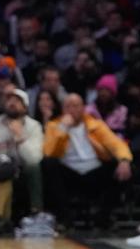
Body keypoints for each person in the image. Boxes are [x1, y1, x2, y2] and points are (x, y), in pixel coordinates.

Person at [42, 94, 133, 228]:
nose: (72, 110)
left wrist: (124, 160)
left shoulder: (96, 125)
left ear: (83, 108)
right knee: (48, 165)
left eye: (76, 106)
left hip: (94, 172)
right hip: (69, 173)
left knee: (121, 166)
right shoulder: (53, 126)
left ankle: (103, 216)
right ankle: (64, 217)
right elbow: (49, 152)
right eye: (68, 106)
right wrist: (63, 129)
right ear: (62, 109)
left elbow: (116, 144)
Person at [0, 88, 45, 218]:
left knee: (34, 168)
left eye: (17, 101)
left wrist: (19, 137)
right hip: (0, 168)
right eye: (9, 100)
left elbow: (34, 158)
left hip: (24, 169)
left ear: (25, 107)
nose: (12, 103)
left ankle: (37, 211)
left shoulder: (34, 126)